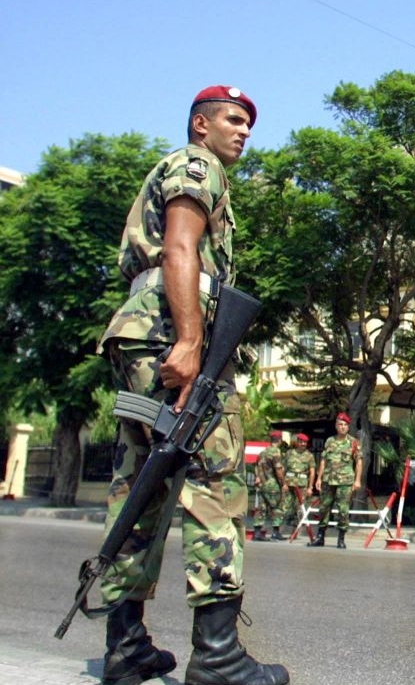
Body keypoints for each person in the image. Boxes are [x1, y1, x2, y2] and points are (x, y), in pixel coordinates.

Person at [96, 85, 288, 685]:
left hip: (137, 334)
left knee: (143, 483)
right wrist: (188, 341)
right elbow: (181, 248)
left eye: (249, 124)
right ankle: (218, 656)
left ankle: (125, 647)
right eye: (234, 119)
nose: (244, 131)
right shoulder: (196, 164)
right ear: (200, 125)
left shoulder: (192, 169)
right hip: (170, 333)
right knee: (213, 482)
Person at [308, 413, 363, 548]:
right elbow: (323, 460)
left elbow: (359, 462)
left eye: (345, 425)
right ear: (336, 426)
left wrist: (357, 480)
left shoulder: (353, 442)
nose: (343, 427)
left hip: (345, 481)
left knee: (343, 509)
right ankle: (320, 537)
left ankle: (341, 538)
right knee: (323, 507)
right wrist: (319, 478)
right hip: (328, 480)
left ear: (348, 427)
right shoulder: (329, 441)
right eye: (340, 424)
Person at [252, 430, 287, 541]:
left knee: (261, 508)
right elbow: (278, 470)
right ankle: (276, 532)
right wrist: (283, 483)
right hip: (273, 484)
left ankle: (257, 532)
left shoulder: (263, 452)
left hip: (262, 484)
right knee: (278, 507)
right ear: (280, 440)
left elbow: (256, 467)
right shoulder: (275, 452)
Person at [280, 433, 315, 532]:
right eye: (301, 442)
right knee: (285, 507)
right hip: (289, 483)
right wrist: (284, 483)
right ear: (297, 442)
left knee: (300, 507)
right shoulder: (289, 453)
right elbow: (283, 469)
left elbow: (312, 472)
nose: (303, 444)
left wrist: (310, 487)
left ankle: (296, 529)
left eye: (305, 442)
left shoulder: (309, 456)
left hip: (302, 485)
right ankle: (279, 529)